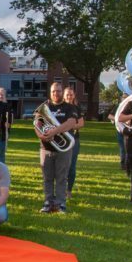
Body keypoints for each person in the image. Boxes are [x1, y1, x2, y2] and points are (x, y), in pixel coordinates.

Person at [36, 82, 78, 213]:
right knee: (47, 177)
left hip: (63, 149)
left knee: (61, 177)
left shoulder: (70, 107)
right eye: (53, 91)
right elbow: (37, 124)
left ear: (62, 92)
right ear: (50, 92)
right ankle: (48, 202)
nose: (56, 93)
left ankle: (60, 204)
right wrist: (42, 136)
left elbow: (71, 123)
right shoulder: (44, 107)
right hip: (46, 148)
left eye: (58, 91)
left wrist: (54, 132)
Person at [64, 87, 85, 199]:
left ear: (74, 95)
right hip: (61, 140)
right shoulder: (60, 108)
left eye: (71, 94)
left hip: (74, 140)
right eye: (67, 94)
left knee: (72, 166)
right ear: (64, 95)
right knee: (62, 166)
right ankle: (61, 189)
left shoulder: (77, 108)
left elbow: (81, 124)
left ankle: (69, 190)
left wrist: (69, 127)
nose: (69, 96)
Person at [109, 94, 128, 171]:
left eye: (126, 98)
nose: (124, 99)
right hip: (120, 130)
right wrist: (117, 119)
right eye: (123, 98)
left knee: (128, 148)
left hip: (128, 130)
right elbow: (110, 116)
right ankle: (123, 164)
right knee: (122, 148)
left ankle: (128, 164)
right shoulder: (118, 106)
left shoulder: (131, 106)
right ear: (121, 99)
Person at [0, 87, 13, 163]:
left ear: (5, 95)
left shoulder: (8, 106)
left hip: (2, 135)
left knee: (0, 155)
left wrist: (8, 124)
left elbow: (9, 121)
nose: (0, 96)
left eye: (2, 94)